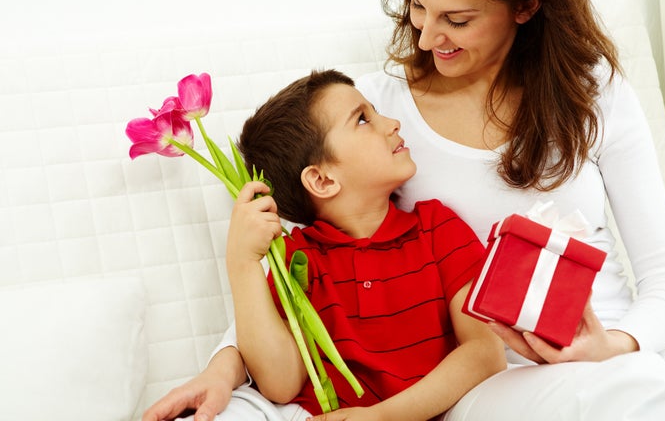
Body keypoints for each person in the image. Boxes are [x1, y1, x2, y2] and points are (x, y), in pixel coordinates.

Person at [145, 0, 665, 419]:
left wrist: (612, 347)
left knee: (659, 387)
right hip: (500, 381)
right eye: (418, 6)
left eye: (457, 19)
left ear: (525, 6)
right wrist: (224, 366)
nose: (424, 37)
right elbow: (306, 266)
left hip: (622, 353)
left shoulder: (591, 91)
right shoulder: (378, 114)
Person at [144, 68, 506, 421]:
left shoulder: (437, 230)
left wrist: (382, 416)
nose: (392, 122)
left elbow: (486, 353)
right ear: (321, 179)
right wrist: (242, 265)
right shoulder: (298, 258)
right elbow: (281, 384)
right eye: (363, 119)